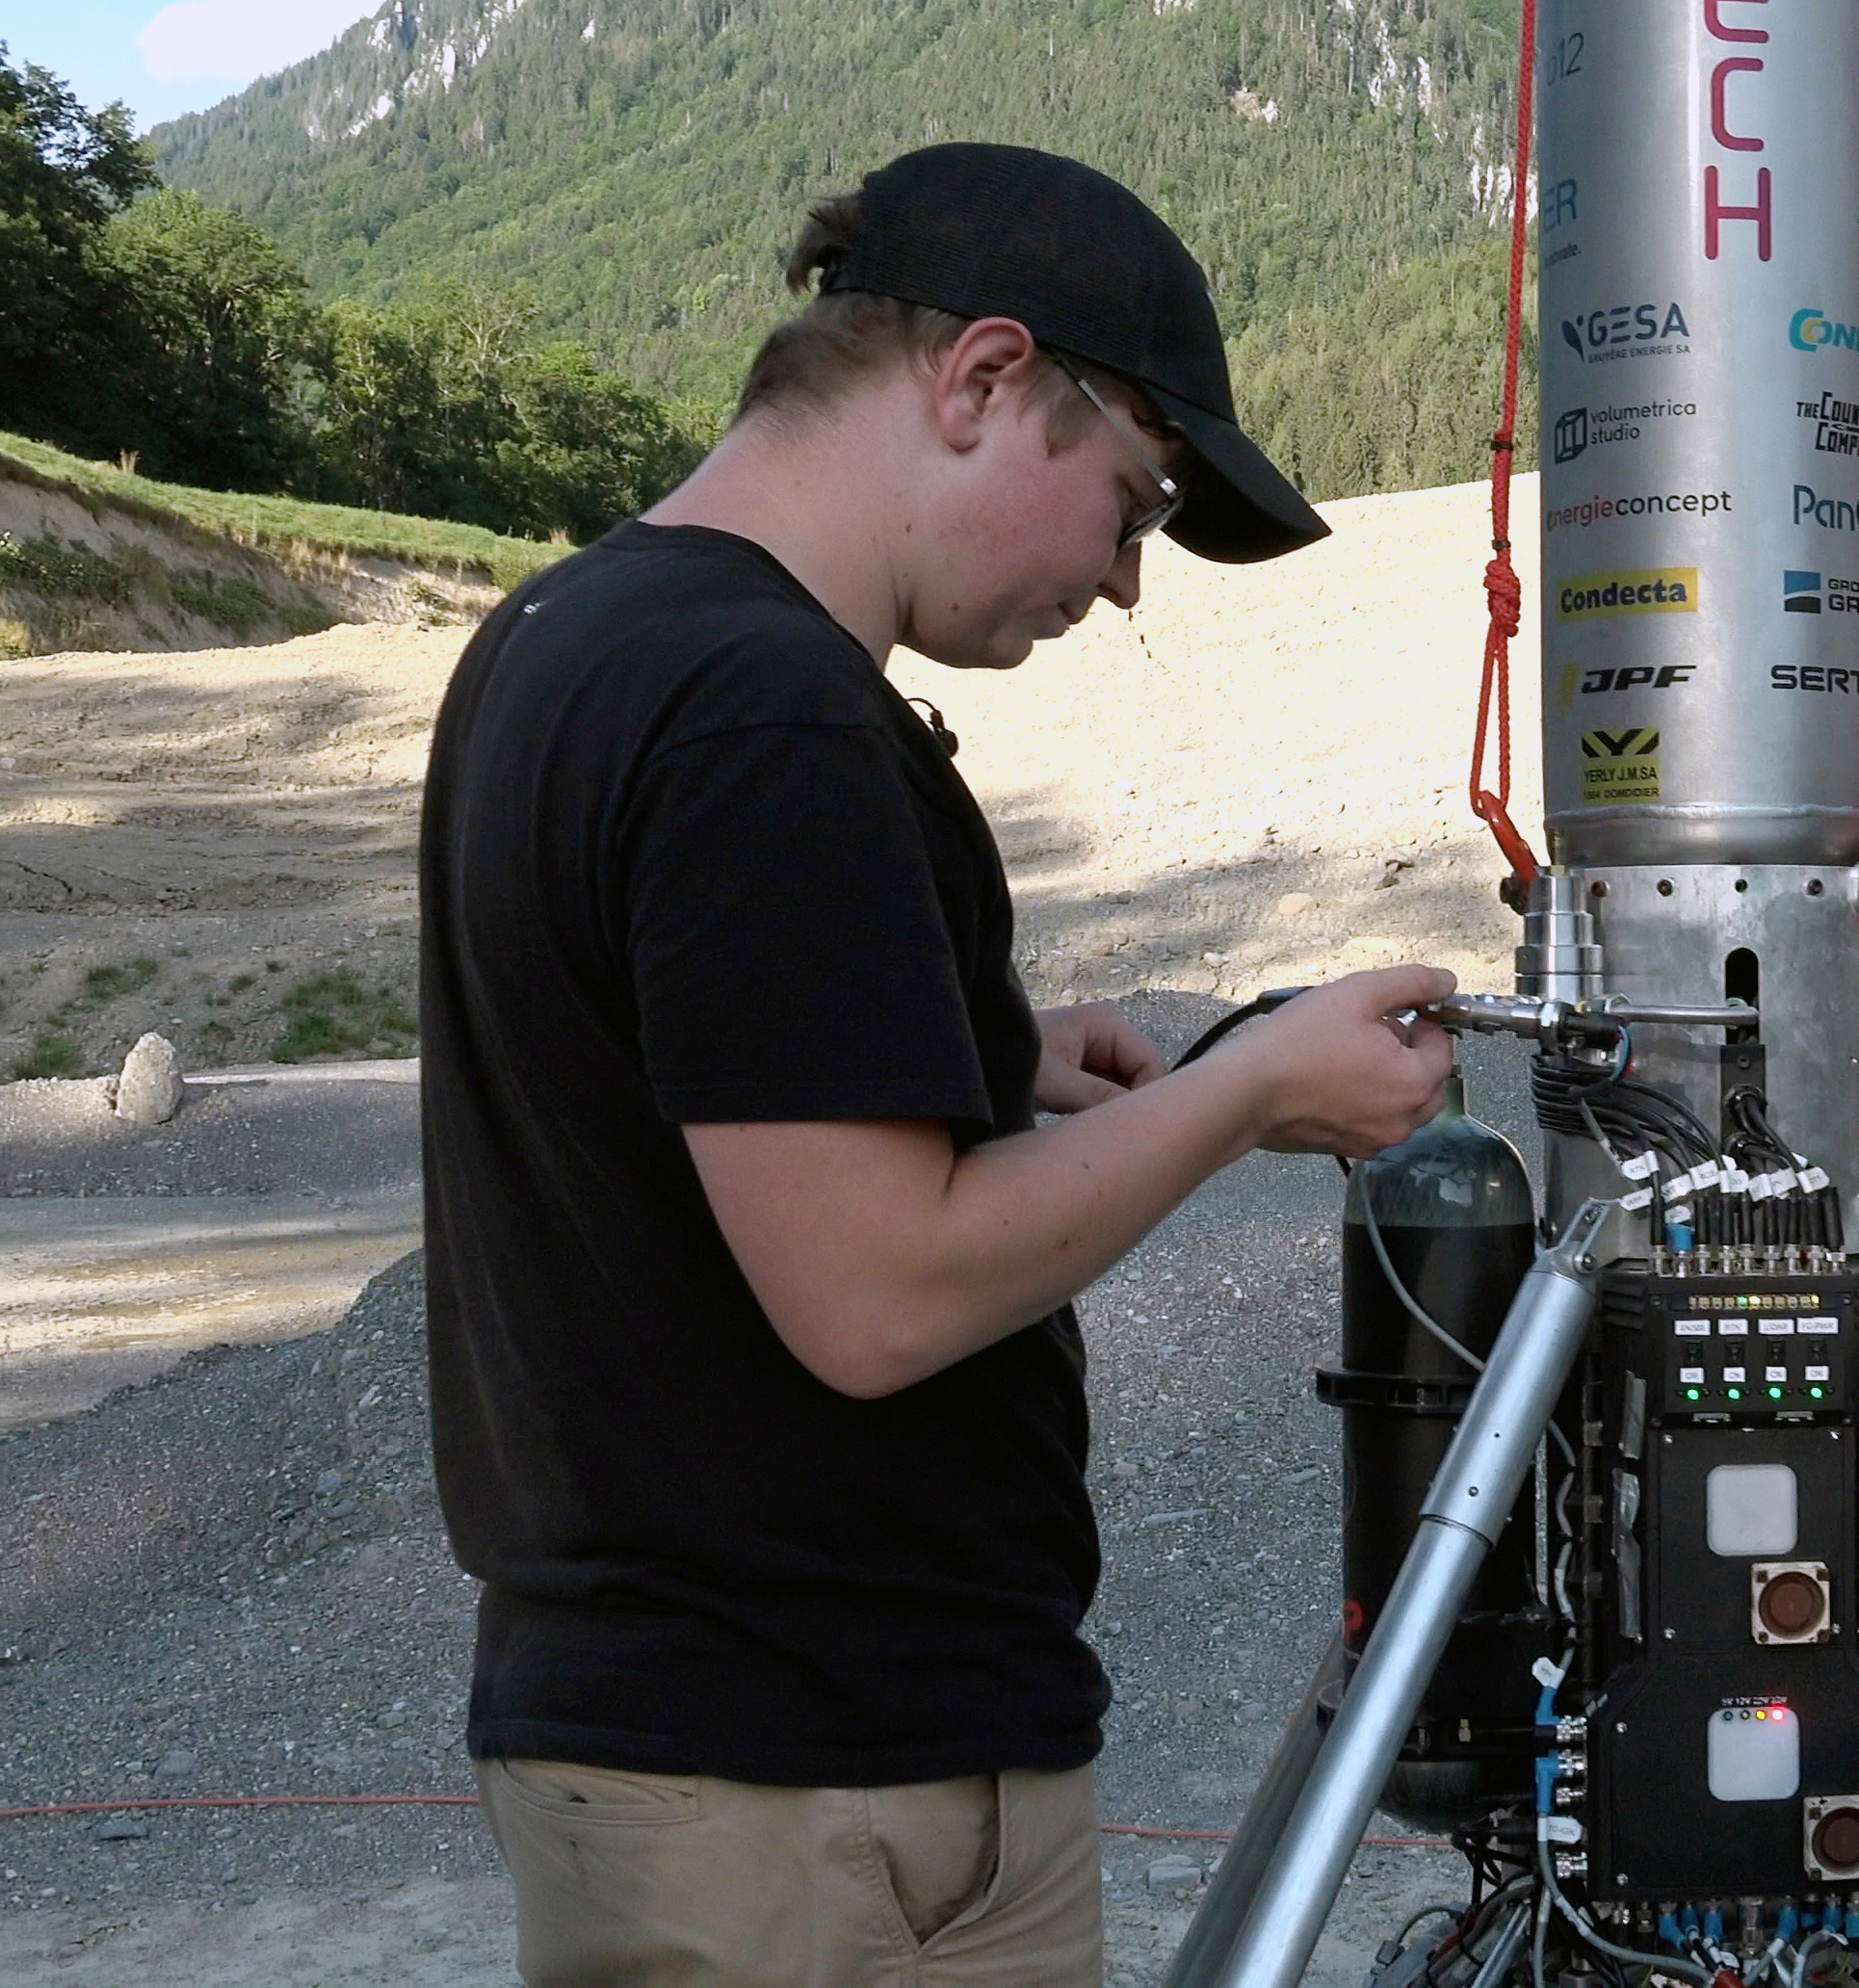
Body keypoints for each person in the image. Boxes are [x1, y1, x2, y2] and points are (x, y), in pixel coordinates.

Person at [419, 142, 1456, 1984]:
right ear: (983, 381)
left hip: (683, 1751)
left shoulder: (567, 633)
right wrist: (1251, 1092)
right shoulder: (763, 711)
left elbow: (649, 1062)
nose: (1128, 582)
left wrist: (970, 1045)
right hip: (816, 1797)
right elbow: (877, 1294)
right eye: (1132, 503)